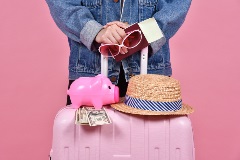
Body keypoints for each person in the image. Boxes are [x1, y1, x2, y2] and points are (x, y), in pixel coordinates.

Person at [45, 0, 192, 105]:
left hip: (150, 75)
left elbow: (177, 4)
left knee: (150, 143)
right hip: (90, 75)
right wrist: (96, 32)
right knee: (88, 144)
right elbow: (61, 4)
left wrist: (139, 34)